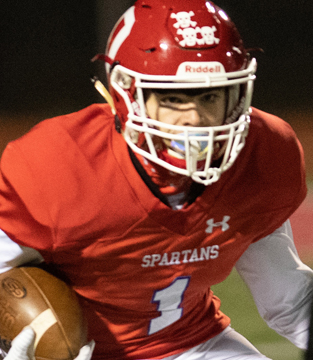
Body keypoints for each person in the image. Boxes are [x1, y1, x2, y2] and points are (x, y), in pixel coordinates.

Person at [0, 0, 312, 359]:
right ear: (127, 95)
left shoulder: (264, 154)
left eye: (210, 96)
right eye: (173, 97)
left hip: (194, 344)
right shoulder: (60, 165)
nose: (194, 119)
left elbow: (289, 299)